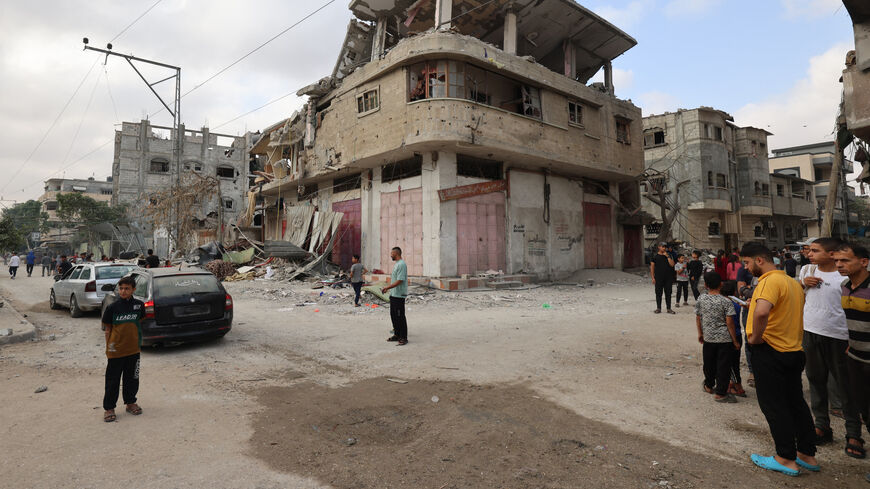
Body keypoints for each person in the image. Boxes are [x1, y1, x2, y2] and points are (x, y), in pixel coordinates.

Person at [741, 242, 817, 476]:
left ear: (759, 260)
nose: (746, 267)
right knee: (796, 403)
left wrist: (755, 339)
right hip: (793, 351)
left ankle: (785, 457)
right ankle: (806, 454)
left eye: (747, 262)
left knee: (775, 406)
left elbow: (762, 311)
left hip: (771, 351)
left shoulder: (768, 282)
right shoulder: (792, 282)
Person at [798, 237, 863, 455]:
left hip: (839, 337)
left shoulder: (844, 277)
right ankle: (821, 426)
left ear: (831, 254)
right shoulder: (807, 271)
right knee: (815, 380)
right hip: (811, 332)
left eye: (816, 250)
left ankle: (854, 434)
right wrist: (802, 284)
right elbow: (801, 296)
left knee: (846, 386)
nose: (810, 253)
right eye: (810, 250)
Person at [833, 242, 870, 468]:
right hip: (855, 357)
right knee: (864, 409)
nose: (839, 265)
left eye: (845, 260)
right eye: (837, 260)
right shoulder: (845, 286)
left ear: (863, 261)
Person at [100, 276, 144, 423]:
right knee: (112, 380)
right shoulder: (112, 307)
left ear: (133, 290)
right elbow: (108, 329)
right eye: (121, 288)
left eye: (127, 288)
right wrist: (109, 348)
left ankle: (130, 403)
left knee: (132, 378)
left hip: (133, 350)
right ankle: (109, 408)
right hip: (116, 351)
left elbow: (139, 323)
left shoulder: (139, 305)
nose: (123, 291)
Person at [695, 271, 740, 403]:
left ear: (706, 285)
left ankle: (708, 385)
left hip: (708, 338)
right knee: (723, 366)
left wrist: (700, 333)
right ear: (720, 284)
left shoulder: (701, 299)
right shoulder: (726, 301)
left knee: (709, 363)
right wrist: (735, 340)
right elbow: (730, 323)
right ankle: (720, 393)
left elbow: (698, 318)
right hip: (724, 340)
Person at [721, 280, 747, 397]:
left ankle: (737, 386)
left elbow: (729, 323)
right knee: (734, 362)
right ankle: (733, 384)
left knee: (730, 363)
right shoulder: (737, 304)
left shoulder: (724, 304)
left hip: (730, 336)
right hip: (737, 334)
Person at [381, 247, 409, 346]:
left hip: (399, 295)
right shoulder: (397, 264)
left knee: (400, 316)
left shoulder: (401, 264)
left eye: (391, 253)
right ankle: (397, 334)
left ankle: (403, 337)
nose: (390, 255)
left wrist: (387, 287)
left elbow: (400, 280)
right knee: (393, 315)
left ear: (396, 253)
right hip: (394, 294)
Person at [650, 243, 676, 314]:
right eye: (662, 247)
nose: (664, 248)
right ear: (659, 247)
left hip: (668, 278)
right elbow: (652, 267)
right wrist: (653, 277)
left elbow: (672, 264)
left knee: (668, 293)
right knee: (658, 293)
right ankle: (658, 308)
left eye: (665, 247)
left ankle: (669, 308)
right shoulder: (655, 256)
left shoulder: (669, 255)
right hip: (658, 278)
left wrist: (667, 256)